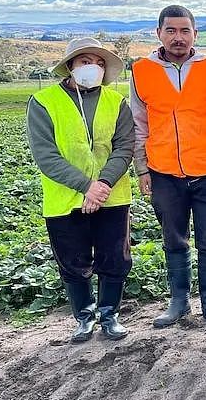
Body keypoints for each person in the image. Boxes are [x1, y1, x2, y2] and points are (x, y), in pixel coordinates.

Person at [131, 5, 206, 328]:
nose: (178, 38)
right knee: (173, 238)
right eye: (171, 31)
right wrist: (142, 167)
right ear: (159, 33)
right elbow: (139, 123)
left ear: (195, 34)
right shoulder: (141, 71)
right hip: (163, 170)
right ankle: (178, 301)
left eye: (184, 31)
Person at [27, 37, 134, 341]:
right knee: (72, 260)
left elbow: (124, 146)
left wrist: (101, 185)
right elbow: (45, 155)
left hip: (112, 196)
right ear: (70, 66)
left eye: (100, 63)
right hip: (65, 199)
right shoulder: (44, 102)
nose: (94, 67)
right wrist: (86, 187)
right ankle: (84, 315)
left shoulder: (116, 102)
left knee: (115, 257)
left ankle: (110, 314)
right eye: (86, 61)